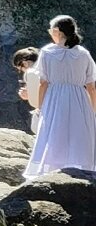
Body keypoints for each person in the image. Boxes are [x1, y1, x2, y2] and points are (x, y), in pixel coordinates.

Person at [24, 16, 96, 179]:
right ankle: (83, 172)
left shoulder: (47, 53)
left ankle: (52, 172)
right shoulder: (83, 54)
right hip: (79, 99)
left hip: (55, 99)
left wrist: (40, 106)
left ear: (57, 31)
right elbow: (91, 86)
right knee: (79, 135)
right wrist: (92, 110)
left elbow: (43, 83)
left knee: (54, 133)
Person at [14, 44, 41, 133]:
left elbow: (39, 102)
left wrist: (30, 96)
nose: (22, 72)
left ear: (25, 63)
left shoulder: (32, 73)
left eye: (20, 69)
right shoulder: (50, 68)